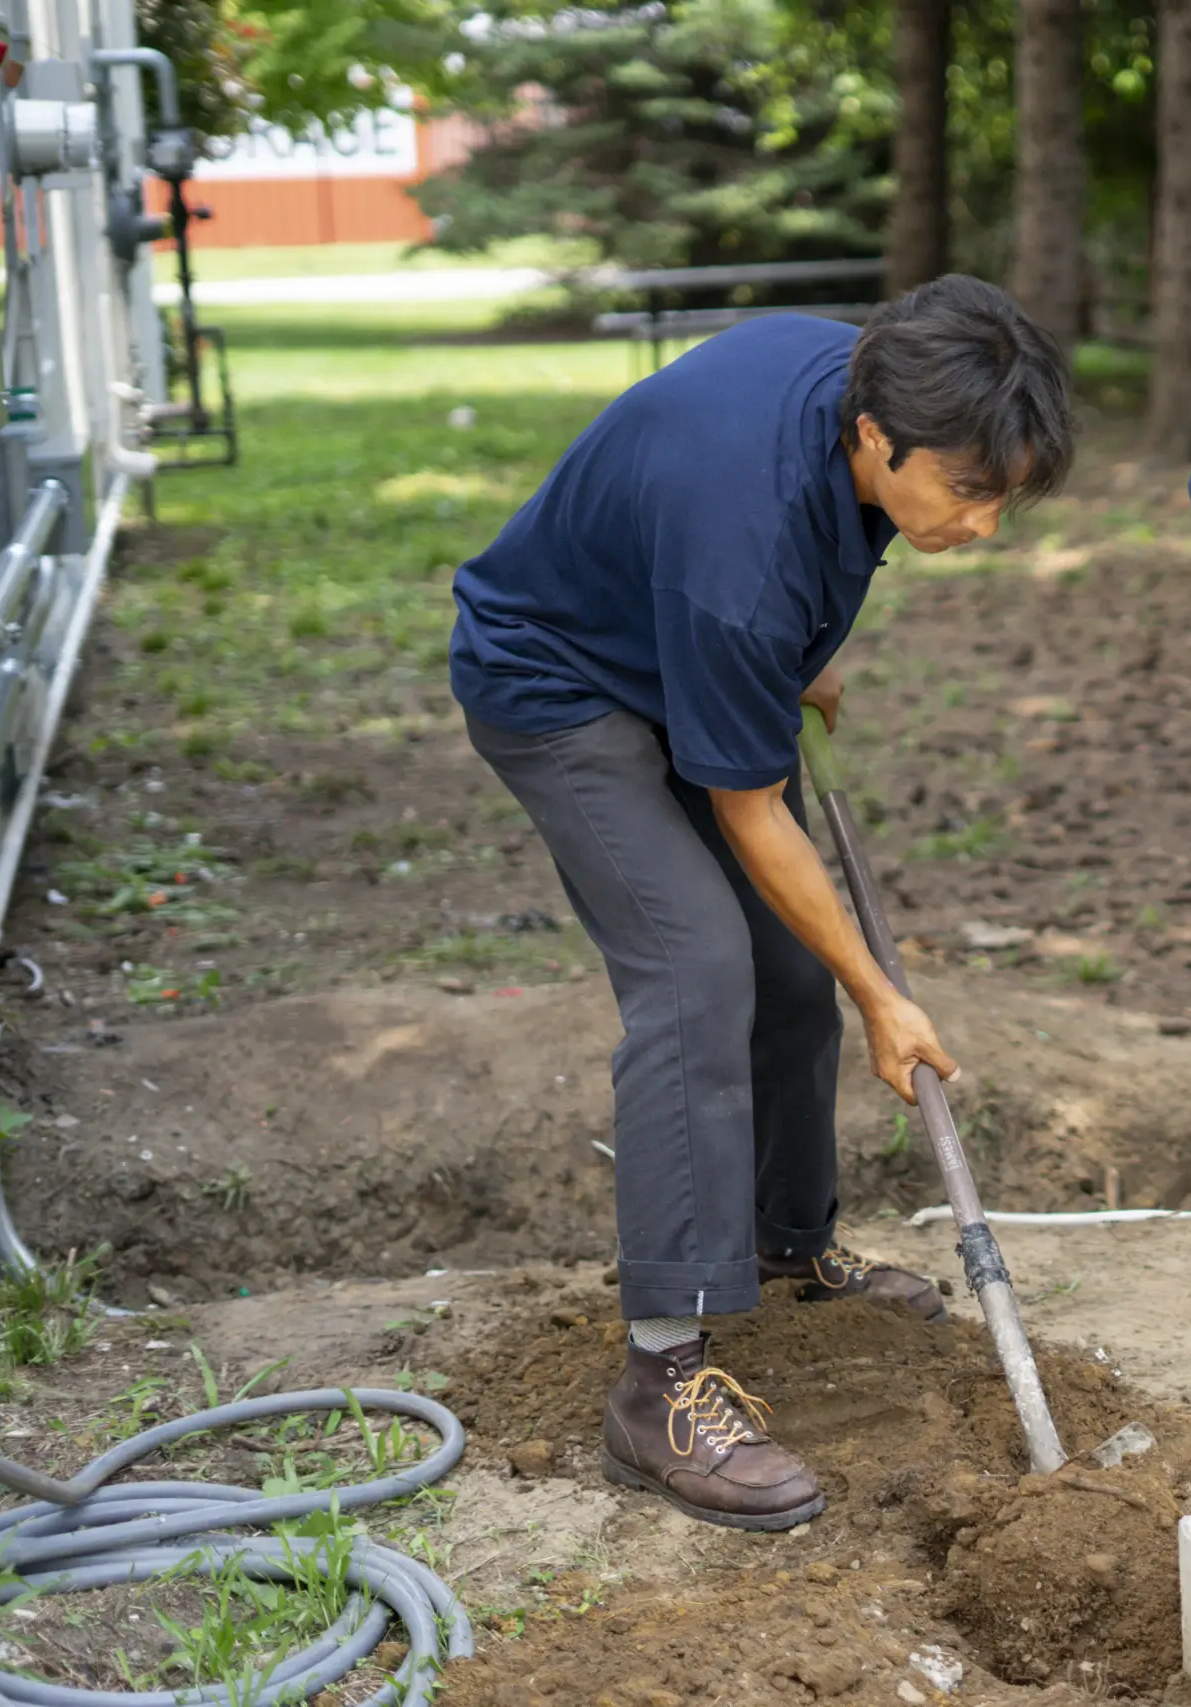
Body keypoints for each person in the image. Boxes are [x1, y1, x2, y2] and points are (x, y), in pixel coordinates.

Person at [449, 277, 1073, 1528]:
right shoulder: (741, 547)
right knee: (696, 972)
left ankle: (787, 1242)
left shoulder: (870, 375)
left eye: (1004, 496)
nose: (984, 524)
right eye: (968, 491)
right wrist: (884, 997)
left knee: (787, 972)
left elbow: (780, 572)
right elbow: (751, 808)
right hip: (559, 686)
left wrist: (797, 651)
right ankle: (660, 1383)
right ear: (874, 437)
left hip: (678, 645)